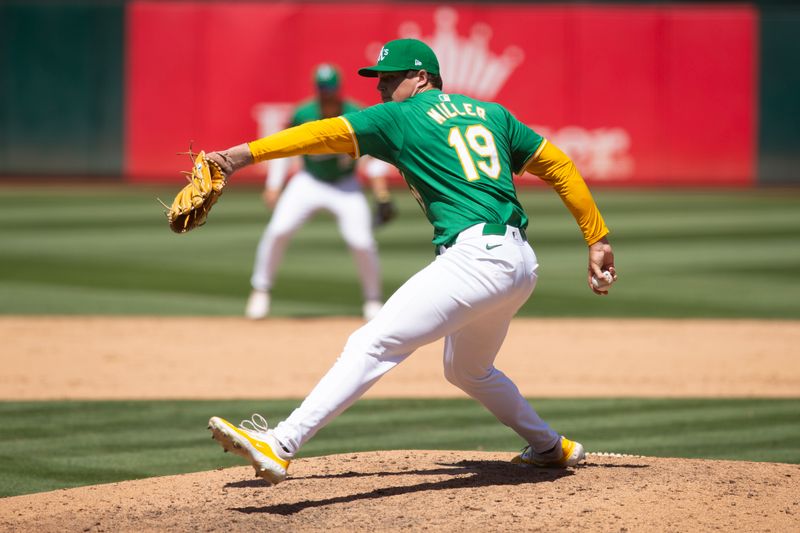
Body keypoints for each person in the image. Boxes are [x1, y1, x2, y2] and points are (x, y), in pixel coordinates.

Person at [206, 38, 616, 485]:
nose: (381, 87)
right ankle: (550, 448)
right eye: (378, 78)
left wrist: (240, 155)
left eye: (390, 77)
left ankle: (281, 444)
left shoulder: (400, 116)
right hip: (519, 263)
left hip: (476, 259)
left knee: (372, 343)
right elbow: (559, 164)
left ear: (421, 77)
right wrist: (596, 237)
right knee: (466, 370)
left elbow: (318, 133)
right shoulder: (493, 114)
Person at [245, 63, 396, 321]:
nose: (327, 94)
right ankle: (260, 289)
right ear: (317, 90)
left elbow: (372, 158)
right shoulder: (304, 113)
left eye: (330, 89)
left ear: (338, 89)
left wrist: (382, 194)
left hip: (345, 186)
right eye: (322, 89)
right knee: (279, 230)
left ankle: (372, 300)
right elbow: (283, 149)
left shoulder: (353, 113)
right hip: (309, 181)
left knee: (362, 242)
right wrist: (274, 185)